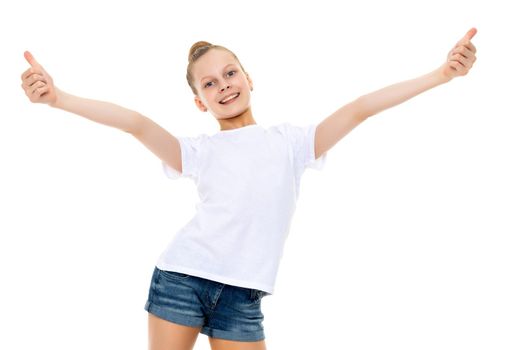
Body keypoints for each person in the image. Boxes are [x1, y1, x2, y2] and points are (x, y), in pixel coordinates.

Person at [20, 28, 478, 350]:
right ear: (200, 101)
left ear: (249, 78)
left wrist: (441, 75)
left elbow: (360, 109)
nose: (224, 86)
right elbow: (135, 124)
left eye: (230, 73)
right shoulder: (198, 151)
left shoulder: (293, 143)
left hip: (243, 297)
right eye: (210, 83)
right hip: (181, 279)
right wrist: (59, 99)